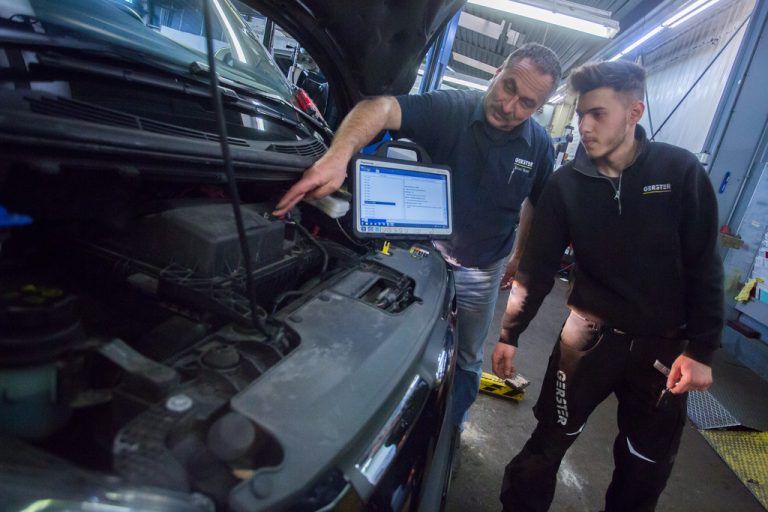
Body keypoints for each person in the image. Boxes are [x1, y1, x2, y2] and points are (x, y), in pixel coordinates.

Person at [274, 43, 561, 430]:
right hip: (423, 254)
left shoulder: (540, 146)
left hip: (484, 268)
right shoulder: (451, 110)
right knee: (398, 340)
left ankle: (450, 429)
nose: (510, 107)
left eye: (527, 103)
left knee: (468, 358)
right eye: (508, 87)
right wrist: (338, 156)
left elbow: (536, 204)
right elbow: (380, 108)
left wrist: (519, 256)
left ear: (539, 108)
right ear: (497, 73)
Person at [491, 60, 724, 512]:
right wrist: (509, 334)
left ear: (634, 112)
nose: (584, 125)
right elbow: (536, 270)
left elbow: (704, 265)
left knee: (644, 466)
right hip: (588, 340)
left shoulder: (678, 172)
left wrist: (701, 351)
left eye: (598, 114)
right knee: (546, 444)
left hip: (663, 351)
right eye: (581, 114)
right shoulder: (566, 185)